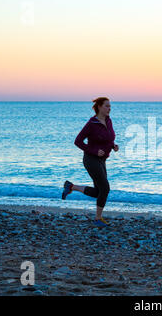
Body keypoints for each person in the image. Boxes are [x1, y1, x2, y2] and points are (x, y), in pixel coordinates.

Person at [62, 97, 119, 227]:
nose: (109, 109)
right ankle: (98, 219)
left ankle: (71, 187)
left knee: (99, 192)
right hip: (91, 159)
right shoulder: (91, 123)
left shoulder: (108, 121)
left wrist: (113, 146)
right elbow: (78, 141)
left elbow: (109, 139)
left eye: (110, 106)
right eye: (106, 106)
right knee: (105, 188)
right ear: (99, 107)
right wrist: (94, 151)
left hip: (102, 160)